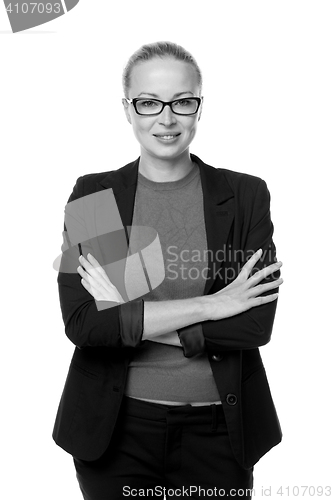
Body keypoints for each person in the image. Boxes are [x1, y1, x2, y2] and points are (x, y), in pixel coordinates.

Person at [53, 41, 283, 500]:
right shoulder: (95, 195)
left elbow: (254, 324)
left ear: (199, 107)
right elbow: (85, 324)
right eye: (148, 102)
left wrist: (128, 313)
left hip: (219, 432)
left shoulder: (244, 196)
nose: (166, 118)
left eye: (182, 101)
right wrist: (214, 305)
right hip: (116, 432)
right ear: (128, 109)